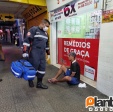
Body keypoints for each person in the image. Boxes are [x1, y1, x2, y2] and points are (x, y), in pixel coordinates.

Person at [22, 19, 50, 89]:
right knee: (33, 67)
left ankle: (39, 83)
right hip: (34, 52)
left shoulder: (46, 34)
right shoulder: (34, 29)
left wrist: (48, 54)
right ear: (43, 24)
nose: (47, 28)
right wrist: (25, 52)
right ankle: (30, 80)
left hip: (42, 53)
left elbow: (47, 45)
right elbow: (26, 41)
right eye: (47, 26)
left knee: (42, 68)